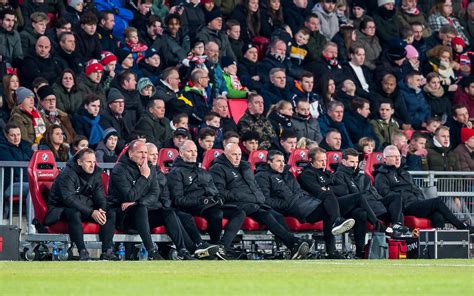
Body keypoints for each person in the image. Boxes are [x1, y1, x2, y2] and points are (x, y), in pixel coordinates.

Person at [209, 143, 311, 259]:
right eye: (234, 154)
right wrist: (245, 197)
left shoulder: (245, 167)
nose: (237, 157)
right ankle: (223, 246)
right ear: (226, 154)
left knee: (273, 214)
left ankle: (292, 245)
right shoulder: (217, 168)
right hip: (232, 204)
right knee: (263, 213)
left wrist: (259, 198)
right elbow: (220, 192)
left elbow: (255, 187)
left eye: (239, 154)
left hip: (251, 203)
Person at [257, 150, 357, 258]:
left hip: (306, 202)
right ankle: (336, 222)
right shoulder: (262, 176)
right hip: (295, 208)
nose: (282, 164)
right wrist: (285, 204)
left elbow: (298, 190)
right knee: (328, 196)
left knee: (330, 208)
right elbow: (265, 199)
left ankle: (331, 251)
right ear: (269, 162)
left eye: (283, 161)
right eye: (278, 161)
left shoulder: (288, 174)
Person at [108, 140, 195, 260]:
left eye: (145, 152)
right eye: (140, 152)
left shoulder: (149, 167)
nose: (144, 155)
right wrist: (144, 176)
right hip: (125, 217)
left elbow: (154, 194)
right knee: (141, 208)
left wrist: (138, 202)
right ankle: (151, 251)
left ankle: (182, 250)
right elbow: (129, 196)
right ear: (130, 153)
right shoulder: (119, 170)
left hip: (145, 213)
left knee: (168, 212)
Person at [298, 147, 386, 258]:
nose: (324, 163)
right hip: (315, 207)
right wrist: (328, 188)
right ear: (311, 160)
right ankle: (378, 225)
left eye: (325, 160)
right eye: (321, 160)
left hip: (332, 203)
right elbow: (318, 192)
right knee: (357, 197)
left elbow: (343, 189)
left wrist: (328, 188)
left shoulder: (327, 173)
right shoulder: (307, 174)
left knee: (360, 213)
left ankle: (360, 252)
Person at [167, 140, 246, 259]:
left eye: (195, 151)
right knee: (215, 213)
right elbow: (178, 200)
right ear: (181, 153)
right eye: (189, 151)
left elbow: (214, 190)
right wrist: (201, 201)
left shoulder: (203, 171)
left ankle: (220, 246)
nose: (194, 154)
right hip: (189, 207)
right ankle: (204, 246)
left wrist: (218, 198)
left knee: (238, 212)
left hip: (207, 205)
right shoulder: (175, 173)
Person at [375, 145, 473, 233]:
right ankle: (462, 227)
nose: (397, 159)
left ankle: (438, 243)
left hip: (416, 203)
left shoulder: (405, 173)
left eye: (398, 156)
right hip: (404, 207)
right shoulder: (381, 175)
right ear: (385, 159)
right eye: (393, 156)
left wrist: (421, 202)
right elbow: (386, 195)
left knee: (437, 215)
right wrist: (404, 199)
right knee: (437, 202)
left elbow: (417, 189)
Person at [44, 148, 117, 261]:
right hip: (60, 208)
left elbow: (101, 196)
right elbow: (69, 199)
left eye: (93, 162)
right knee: (74, 213)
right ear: (79, 162)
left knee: (110, 213)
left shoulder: (96, 173)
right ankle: (82, 250)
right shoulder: (67, 174)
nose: (92, 165)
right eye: (88, 162)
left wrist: (101, 209)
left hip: (85, 207)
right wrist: (91, 212)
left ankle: (107, 250)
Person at [0, 123, 33, 224]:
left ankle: (43, 224)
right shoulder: (2, 148)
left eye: (18, 134)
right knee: (32, 189)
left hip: (26, 182)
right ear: (6, 136)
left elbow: (34, 161)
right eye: (13, 135)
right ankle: (31, 225)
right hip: (10, 185)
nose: (16, 138)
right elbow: (18, 170)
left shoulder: (25, 146)